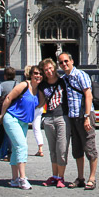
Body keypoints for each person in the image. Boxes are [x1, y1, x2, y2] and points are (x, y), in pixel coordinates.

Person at [0, 65, 45, 190]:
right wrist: (2, 115)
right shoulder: (24, 85)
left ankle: (14, 179)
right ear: (31, 74)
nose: (38, 76)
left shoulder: (39, 90)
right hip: (12, 118)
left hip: (23, 122)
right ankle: (23, 178)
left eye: (40, 74)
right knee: (22, 146)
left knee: (16, 148)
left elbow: (40, 104)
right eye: (36, 73)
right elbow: (9, 98)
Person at [59, 52, 98, 190]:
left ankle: (92, 178)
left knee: (89, 147)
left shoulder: (80, 75)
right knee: (77, 149)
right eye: (61, 62)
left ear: (72, 61)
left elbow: (88, 95)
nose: (64, 64)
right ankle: (80, 178)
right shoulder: (64, 78)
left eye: (66, 61)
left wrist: (87, 117)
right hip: (73, 117)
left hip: (84, 115)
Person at [39, 57, 69, 188]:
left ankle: (61, 177)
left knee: (61, 149)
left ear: (54, 68)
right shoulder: (42, 85)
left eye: (50, 68)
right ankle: (55, 176)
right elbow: (41, 102)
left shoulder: (63, 82)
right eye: (46, 70)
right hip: (49, 118)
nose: (49, 71)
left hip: (62, 117)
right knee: (52, 150)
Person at [0, 67, 18, 160]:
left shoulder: (1, 85)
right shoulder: (17, 84)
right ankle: (12, 152)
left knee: (3, 131)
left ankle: (3, 152)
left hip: (3, 111)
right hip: (15, 111)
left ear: (5, 76)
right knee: (13, 132)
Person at [30, 70, 45, 157]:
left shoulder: (31, 85)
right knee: (37, 128)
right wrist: (39, 106)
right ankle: (40, 149)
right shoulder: (42, 86)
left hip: (33, 108)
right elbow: (43, 100)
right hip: (38, 108)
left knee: (24, 126)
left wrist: (37, 106)